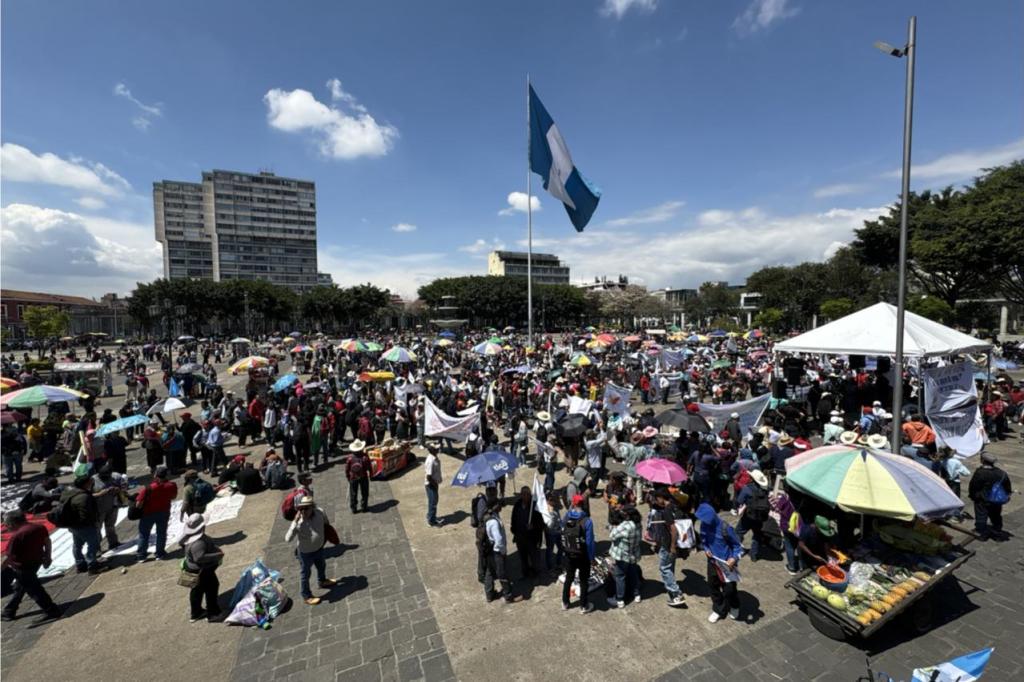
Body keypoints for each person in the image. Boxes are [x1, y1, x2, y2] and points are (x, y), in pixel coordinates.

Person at [1, 510, 62, 622]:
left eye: (6, 524)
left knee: (35, 590)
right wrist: (48, 556)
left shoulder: (17, 536)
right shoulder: (38, 527)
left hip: (22, 567)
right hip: (36, 562)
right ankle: (8, 611)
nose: (6, 527)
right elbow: (47, 541)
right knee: (20, 587)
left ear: (12, 523)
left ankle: (52, 610)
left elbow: (8, 558)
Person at [695, 503, 744, 623]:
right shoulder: (704, 525)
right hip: (712, 562)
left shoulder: (725, 528)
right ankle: (718, 609)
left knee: (730, 590)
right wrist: (706, 550)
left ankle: (734, 605)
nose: (704, 523)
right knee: (713, 586)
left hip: (727, 565)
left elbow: (738, 547)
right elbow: (704, 540)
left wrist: (734, 558)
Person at [284, 496, 338, 606]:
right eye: (301, 509)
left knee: (322, 565)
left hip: (319, 548)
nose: (303, 511)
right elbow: (288, 539)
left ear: (312, 507)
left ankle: (322, 581)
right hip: (305, 553)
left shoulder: (320, 512)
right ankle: (306, 595)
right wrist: (294, 522)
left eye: (306, 508)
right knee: (305, 574)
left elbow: (326, 524)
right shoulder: (298, 522)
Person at [179, 513, 224, 623]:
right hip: (202, 571)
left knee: (196, 591)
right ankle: (213, 614)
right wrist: (218, 555)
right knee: (212, 588)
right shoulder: (198, 543)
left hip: (191, 569)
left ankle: (196, 612)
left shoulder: (187, 538)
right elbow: (199, 558)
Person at [648, 490, 686, 607]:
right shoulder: (676, 506)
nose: (655, 501)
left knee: (664, 568)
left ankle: (676, 594)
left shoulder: (667, 511)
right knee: (670, 567)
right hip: (676, 543)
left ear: (661, 497)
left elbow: (673, 529)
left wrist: (672, 546)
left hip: (668, 544)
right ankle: (671, 586)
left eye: (656, 498)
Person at [60, 475, 103, 574]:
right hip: (84, 525)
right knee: (93, 544)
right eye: (90, 481)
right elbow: (86, 514)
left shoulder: (68, 492)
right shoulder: (84, 496)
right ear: (86, 484)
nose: (92, 482)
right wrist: (93, 523)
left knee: (77, 545)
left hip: (72, 525)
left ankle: (80, 565)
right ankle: (92, 565)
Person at [561, 494, 596, 613]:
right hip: (583, 555)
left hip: (569, 553)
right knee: (584, 580)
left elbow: (562, 528)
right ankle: (583, 605)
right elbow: (590, 542)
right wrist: (591, 558)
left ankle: (565, 602)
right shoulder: (587, 521)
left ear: (573, 503)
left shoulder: (567, 516)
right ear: (583, 504)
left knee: (569, 578)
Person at [135, 465, 178, 561]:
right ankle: (160, 553)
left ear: (155, 475)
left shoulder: (148, 488)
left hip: (148, 514)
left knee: (144, 534)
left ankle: (141, 556)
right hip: (164, 512)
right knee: (161, 533)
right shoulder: (172, 485)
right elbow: (173, 497)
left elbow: (138, 504)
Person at [968, 451, 1011, 540]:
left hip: (982, 499)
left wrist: (973, 496)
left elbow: (973, 486)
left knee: (981, 516)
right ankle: (997, 532)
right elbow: (1007, 487)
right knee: (996, 515)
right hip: (996, 500)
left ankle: (981, 533)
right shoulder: (1001, 473)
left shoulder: (980, 473)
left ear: (982, 460)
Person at [607, 505, 641, 609]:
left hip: (622, 555)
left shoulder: (626, 525)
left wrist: (613, 527)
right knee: (633, 575)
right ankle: (637, 595)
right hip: (634, 554)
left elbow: (612, 536)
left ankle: (620, 599)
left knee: (620, 577)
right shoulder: (638, 523)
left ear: (627, 515)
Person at [735, 469, 770, 562]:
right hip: (760, 517)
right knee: (757, 535)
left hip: (749, 515)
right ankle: (754, 555)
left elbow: (739, 500)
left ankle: (736, 551)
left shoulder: (747, 488)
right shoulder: (765, 490)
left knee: (738, 532)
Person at [510, 486, 543, 579]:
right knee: (523, 557)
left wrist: (533, 526)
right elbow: (513, 519)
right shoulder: (517, 505)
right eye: (523, 494)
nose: (525, 496)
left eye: (527, 494)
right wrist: (514, 530)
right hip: (520, 538)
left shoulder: (534, 507)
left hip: (531, 538)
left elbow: (541, 523)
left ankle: (536, 573)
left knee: (534, 557)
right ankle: (525, 573)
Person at [91, 464, 122, 553]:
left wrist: (117, 490)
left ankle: (113, 543)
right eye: (103, 476)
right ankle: (97, 548)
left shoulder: (114, 477)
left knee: (110, 526)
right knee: (97, 529)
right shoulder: (93, 480)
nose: (105, 478)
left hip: (112, 507)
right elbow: (88, 495)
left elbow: (122, 488)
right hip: (98, 510)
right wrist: (101, 493)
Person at [345, 440, 371, 514]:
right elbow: (368, 467)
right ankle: (364, 507)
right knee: (365, 492)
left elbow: (347, 469)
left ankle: (354, 508)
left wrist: (348, 477)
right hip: (363, 476)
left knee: (353, 493)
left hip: (353, 477)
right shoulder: (365, 457)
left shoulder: (350, 458)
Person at [423, 444, 443, 527]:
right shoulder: (430, 461)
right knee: (433, 502)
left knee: (434, 500)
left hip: (434, 483)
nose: (438, 449)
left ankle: (431, 516)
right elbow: (428, 477)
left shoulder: (434, 457)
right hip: (431, 485)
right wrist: (435, 484)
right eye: (437, 448)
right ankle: (431, 521)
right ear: (432, 450)